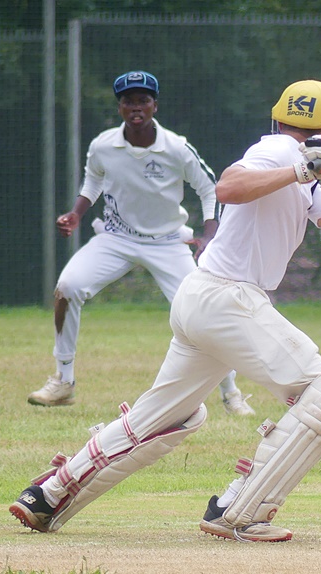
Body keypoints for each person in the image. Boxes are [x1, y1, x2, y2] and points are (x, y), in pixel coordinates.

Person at [9, 79, 321, 542]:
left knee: (166, 416)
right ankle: (238, 509)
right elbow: (229, 186)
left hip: (206, 298)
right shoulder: (279, 155)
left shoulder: (298, 167)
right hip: (228, 298)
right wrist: (304, 170)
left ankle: (49, 494)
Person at [26, 70, 254, 417]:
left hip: (167, 242)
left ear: (154, 106)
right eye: (128, 101)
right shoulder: (103, 146)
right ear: (120, 107)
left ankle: (231, 393)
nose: (136, 107)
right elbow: (93, 184)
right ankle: (63, 381)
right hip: (116, 238)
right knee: (68, 287)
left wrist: (209, 235)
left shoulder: (176, 147)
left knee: (203, 313)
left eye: (143, 100)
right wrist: (76, 214)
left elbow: (210, 189)